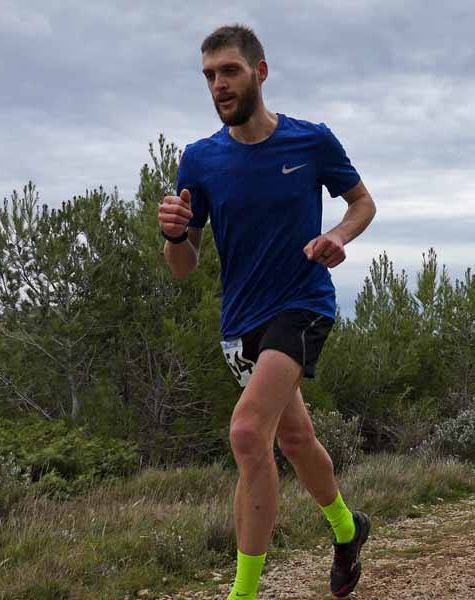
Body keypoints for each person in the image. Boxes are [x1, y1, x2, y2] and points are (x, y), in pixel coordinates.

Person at [157, 24, 376, 600]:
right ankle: (348, 531)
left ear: (260, 71)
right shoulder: (199, 161)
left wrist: (337, 236)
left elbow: (362, 202)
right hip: (240, 326)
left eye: (228, 71)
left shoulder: (310, 141)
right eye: (208, 76)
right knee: (296, 441)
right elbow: (184, 267)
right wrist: (176, 237)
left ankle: (243, 595)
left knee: (249, 433)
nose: (218, 85)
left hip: (303, 304)